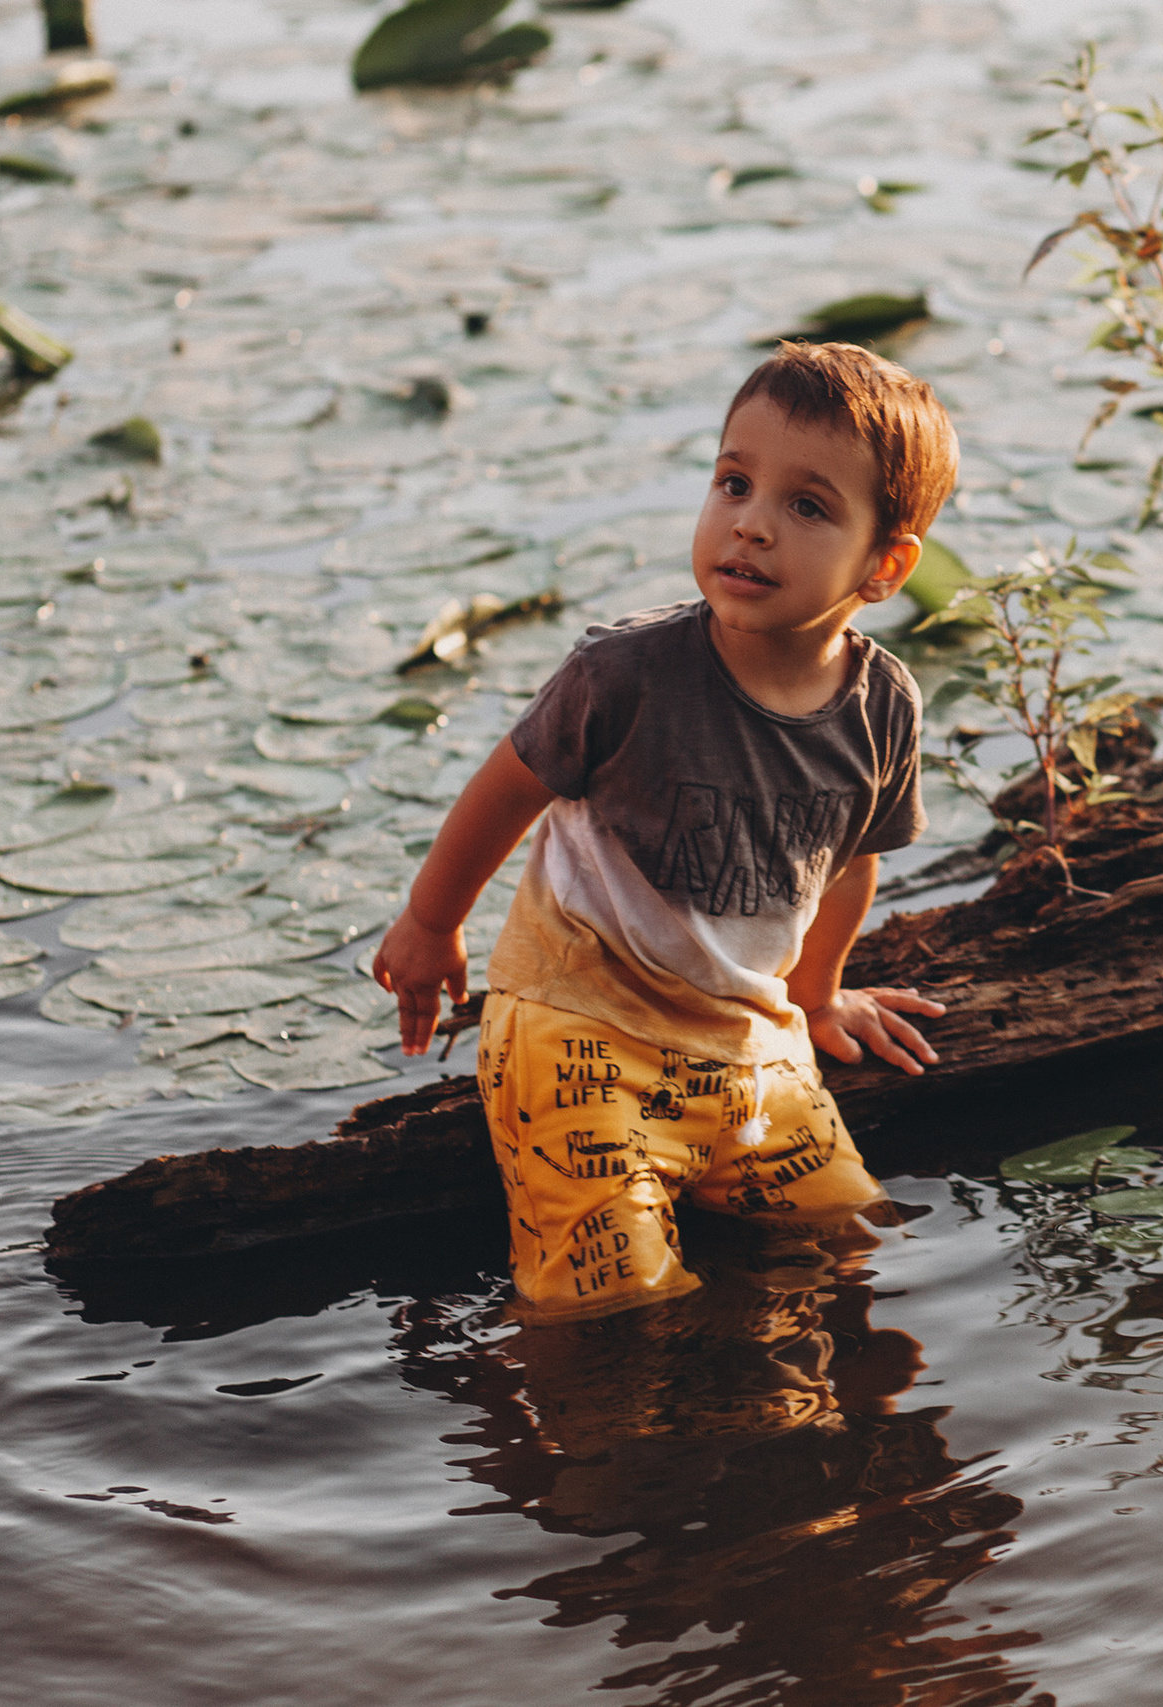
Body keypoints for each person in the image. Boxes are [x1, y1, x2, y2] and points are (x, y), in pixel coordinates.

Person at [370, 340, 955, 1323]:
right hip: (577, 1027)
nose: (751, 524)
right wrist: (431, 923)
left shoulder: (881, 704)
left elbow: (851, 857)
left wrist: (817, 998)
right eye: (734, 483)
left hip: (741, 1041)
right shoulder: (625, 674)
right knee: (617, 1304)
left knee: (850, 1240)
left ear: (885, 565)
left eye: (808, 507)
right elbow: (505, 788)